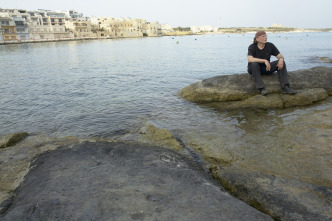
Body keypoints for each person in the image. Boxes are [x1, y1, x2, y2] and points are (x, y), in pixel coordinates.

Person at [247, 31, 297, 95]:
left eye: (266, 36)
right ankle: (262, 88)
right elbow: (250, 59)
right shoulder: (252, 47)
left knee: (282, 62)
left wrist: (281, 59)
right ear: (257, 39)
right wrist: (264, 60)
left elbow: (280, 56)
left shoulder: (270, 45)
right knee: (254, 64)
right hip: (254, 69)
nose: (265, 38)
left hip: (266, 68)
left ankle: (285, 87)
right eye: (263, 37)